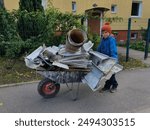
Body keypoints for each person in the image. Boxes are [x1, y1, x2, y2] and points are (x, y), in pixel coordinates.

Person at [97, 22, 118, 93]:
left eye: (106, 32)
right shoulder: (103, 39)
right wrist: (96, 53)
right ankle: (113, 85)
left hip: (112, 60)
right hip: (106, 60)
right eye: (103, 32)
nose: (104, 34)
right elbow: (99, 48)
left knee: (111, 74)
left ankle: (110, 86)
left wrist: (114, 61)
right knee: (109, 74)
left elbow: (113, 50)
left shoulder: (111, 40)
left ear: (109, 32)